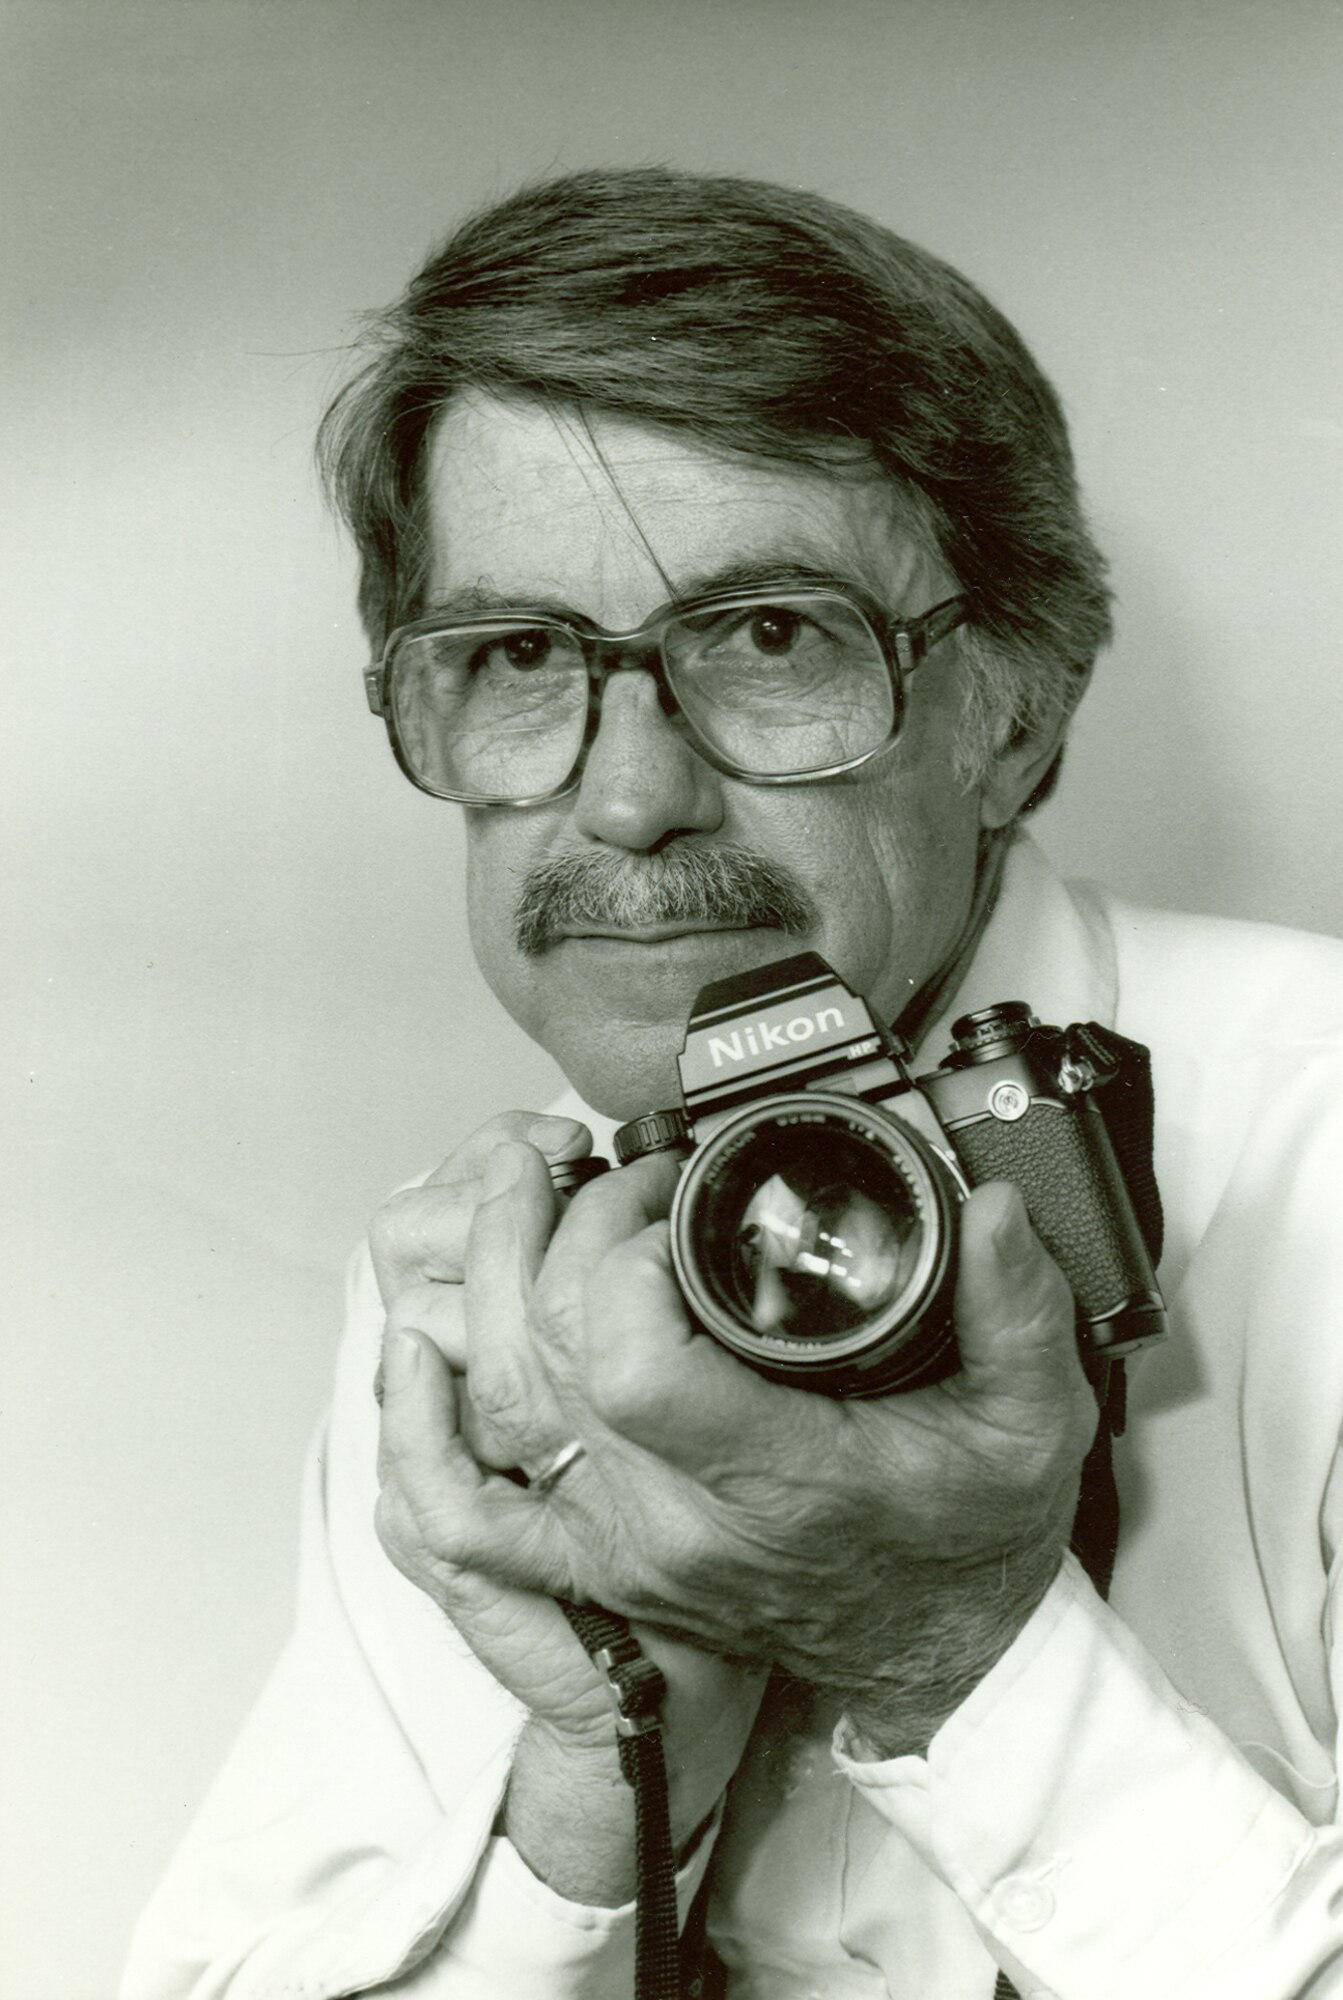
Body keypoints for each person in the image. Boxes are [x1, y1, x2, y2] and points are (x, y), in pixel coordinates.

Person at [123, 167, 1343, 2000]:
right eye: (522, 656)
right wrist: (596, 1776)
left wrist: (950, 1645)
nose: (627, 800)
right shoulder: (491, 1275)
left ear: (1010, 710)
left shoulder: (1321, 1147)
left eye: (771, 635)